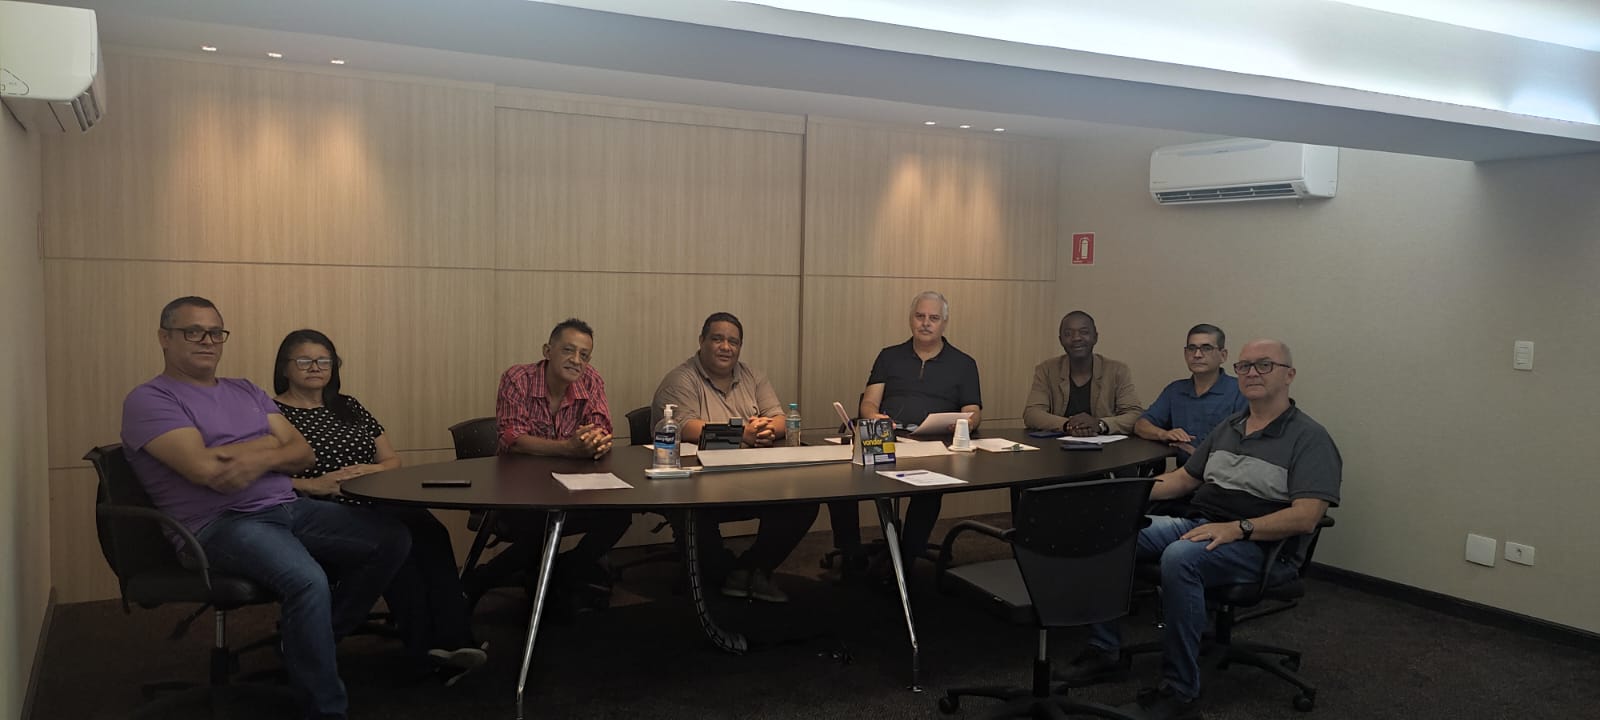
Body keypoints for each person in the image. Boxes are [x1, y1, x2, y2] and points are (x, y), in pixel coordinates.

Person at [121, 297, 408, 720]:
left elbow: (303, 452)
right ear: (164, 338)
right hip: (218, 525)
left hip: (286, 506)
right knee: (308, 580)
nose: (207, 341)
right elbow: (206, 470)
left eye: (215, 332)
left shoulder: (245, 390)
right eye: (192, 331)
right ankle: (326, 710)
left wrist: (242, 455)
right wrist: (269, 449)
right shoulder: (150, 399)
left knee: (392, 538)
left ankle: (309, 640)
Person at [1062, 339, 1342, 720]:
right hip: (1202, 524)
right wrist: (1120, 498)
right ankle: (1105, 651)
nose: (1252, 373)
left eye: (1264, 365)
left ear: (1289, 375)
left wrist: (1238, 528)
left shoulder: (1310, 438)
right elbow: (1183, 480)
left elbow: (1306, 516)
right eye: (1244, 366)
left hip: (1262, 546)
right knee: (1107, 532)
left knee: (1181, 557)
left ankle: (1180, 691)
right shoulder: (1230, 426)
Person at [271, 329, 484, 685]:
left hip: (377, 498)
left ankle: (456, 640)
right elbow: (266, 478)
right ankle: (426, 653)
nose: (315, 367)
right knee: (400, 548)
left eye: (324, 360)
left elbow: (391, 460)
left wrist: (371, 470)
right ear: (285, 367)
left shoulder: (348, 405)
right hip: (322, 509)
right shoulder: (271, 413)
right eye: (305, 360)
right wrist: (315, 484)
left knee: (431, 531)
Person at [651, 312, 821, 602]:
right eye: (717, 339)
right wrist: (743, 433)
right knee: (698, 526)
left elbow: (781, 418)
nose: (726, 347)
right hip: (698, 483)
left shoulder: (753, 376)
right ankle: (727, 573)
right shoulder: (680, 379)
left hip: (748, 476)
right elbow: (685, 427)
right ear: (701, 341)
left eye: (733, 342)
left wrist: (766, 429)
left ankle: (749, 569)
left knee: (803, 503)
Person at [467, 318, 632, 612]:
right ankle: (481, 580)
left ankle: (561, 572)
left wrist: (594, 440)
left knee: (618, 516)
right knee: (540, 527)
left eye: (584, 355)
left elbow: (601, 428)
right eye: (568, 350)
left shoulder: (591, 380)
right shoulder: (518, 379)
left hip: (571, 486)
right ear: (547, 350)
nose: (576, 360)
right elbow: (513, 439)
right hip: (516, 486)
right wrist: (569, 448)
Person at [830, 291, 981, 576]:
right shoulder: (889, 356)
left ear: (944, 322)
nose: (926, 323)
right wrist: (874, 416)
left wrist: (966, 424)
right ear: (911, 319)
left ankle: (906, 559)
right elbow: (869, 403)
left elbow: (973, 410)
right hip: (889, 437)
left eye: (933, 318)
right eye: (920, 316)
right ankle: (851, 552)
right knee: (842, 476)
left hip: (935, 443)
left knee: (931, 486)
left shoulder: (964, 363)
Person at [1133, 324, 1247, 464]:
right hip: (1184, 472)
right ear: (1185, 353)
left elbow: (1247, 446)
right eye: (1192, 348)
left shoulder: (1240, 391)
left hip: (1223, 472)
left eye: (1206, 348)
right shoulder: (1175, 390)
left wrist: (1196, 455)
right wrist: (1164, 434)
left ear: (1223, 355)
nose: (1197, 355)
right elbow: (1141, 426)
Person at [1023, 310, 1144, 436]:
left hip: (1105, 445)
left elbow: (1134, 415)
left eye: (1084, 332)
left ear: (1095, 337)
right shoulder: (1047, 369)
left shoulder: (1117, 370)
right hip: (1057, 444)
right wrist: (1068, 425)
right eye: (1068, 334)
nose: (1076, 338)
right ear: (1061, 340)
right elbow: (1032, 414)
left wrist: (1100, 424)